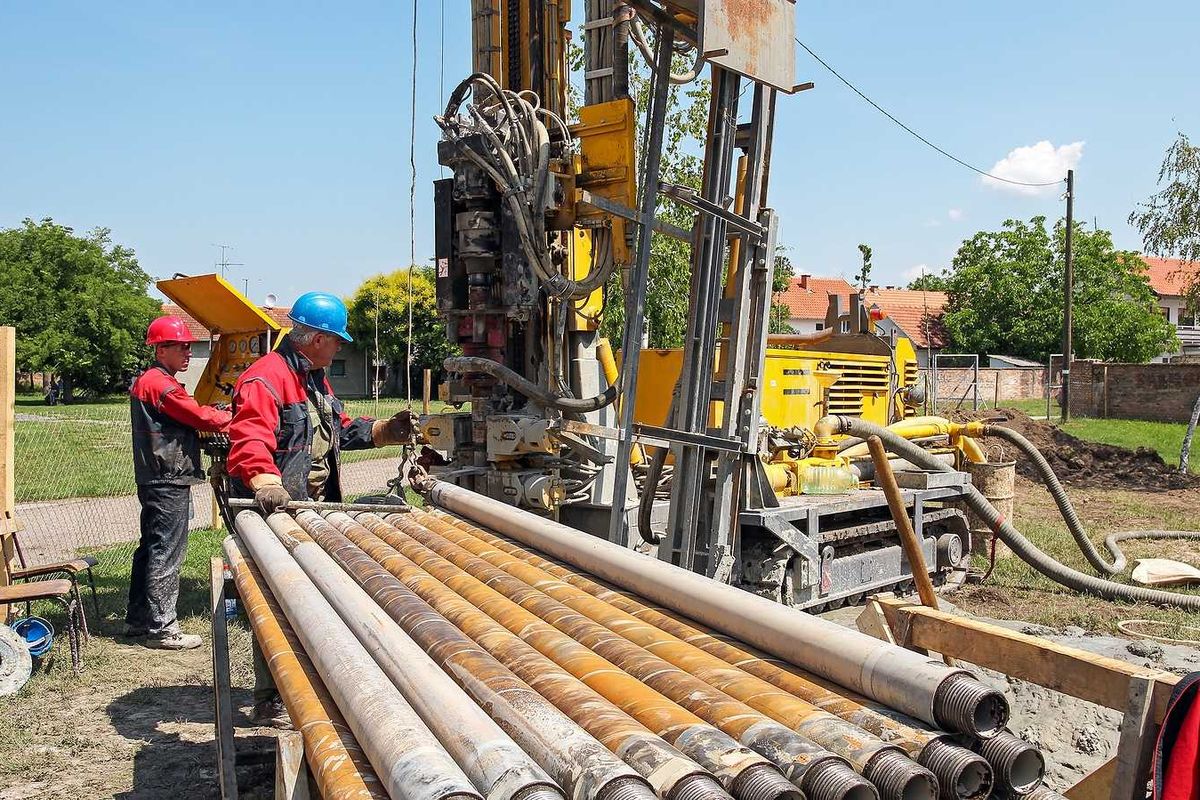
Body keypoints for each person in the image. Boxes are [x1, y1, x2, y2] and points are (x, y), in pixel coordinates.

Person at [225, 291, 411, 726]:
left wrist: (386, 431)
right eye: (336, 339)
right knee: (278, 600)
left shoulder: (313, 378)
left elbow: (338, 430)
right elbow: (250, 437)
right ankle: (271, 695)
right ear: (315, 338)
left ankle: (313, 680)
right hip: (275, 509)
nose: (341, 346)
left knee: (313, 599)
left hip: (310, 508)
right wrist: (266, 482)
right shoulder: (265, 379)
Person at [128, 316, 232, 650]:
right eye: (181, 346)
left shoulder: (152, 380)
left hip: (156, 474)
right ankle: (163, 629)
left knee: (150, 547)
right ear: (161, 350)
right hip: (166, 475)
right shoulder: (161, 384)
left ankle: (138, 618)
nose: (188, 352)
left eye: (189, 346)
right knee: (166, 551)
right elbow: (199, 417)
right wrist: (234, 417)